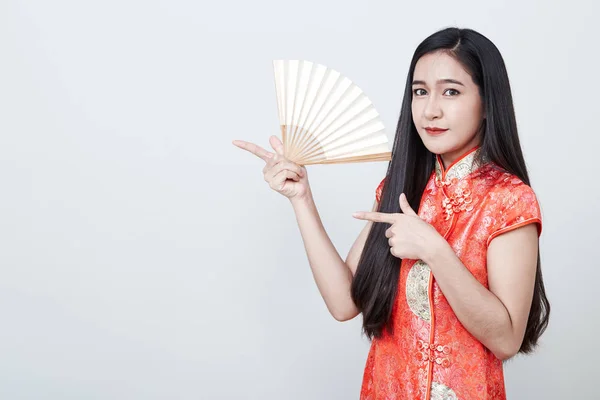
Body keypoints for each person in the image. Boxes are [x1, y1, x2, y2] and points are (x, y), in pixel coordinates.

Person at [233, 27, 549, 400]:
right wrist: (301, 198)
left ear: (486, 104)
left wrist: (434, 250)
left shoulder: (508, 200)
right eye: (420, 91)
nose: (431, 109)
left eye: (451, 91)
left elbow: (507, 339)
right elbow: (343, 302)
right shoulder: (400, 186)